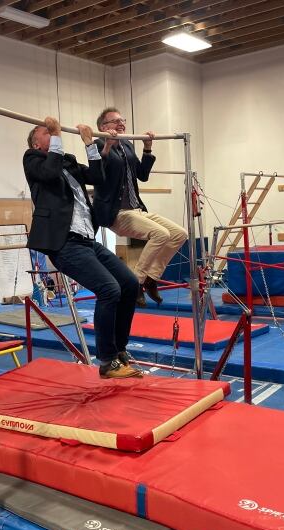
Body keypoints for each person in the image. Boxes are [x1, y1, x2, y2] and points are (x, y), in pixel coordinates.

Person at [24, 116, 142, 379]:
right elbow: (49, 173)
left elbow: (97, 176)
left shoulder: (65, 159)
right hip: (64, 242)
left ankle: (119, 350)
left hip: (87, 238)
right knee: (109, 289)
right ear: (37, 142)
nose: (53, 134)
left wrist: (94, 145)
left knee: (130, 284)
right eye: (47, 133)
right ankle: (107, 361)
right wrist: (56, 135)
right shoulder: (32, 159)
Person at [93, 107, 188, 307]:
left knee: (180, 234)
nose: (121, 123)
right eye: (115, 121)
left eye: (122, 120)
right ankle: (136, 282)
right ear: (103, 127)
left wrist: (147, 147)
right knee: (161, 234)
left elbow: (142, 175)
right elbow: (97, 174)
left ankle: (152, 278)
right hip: (117, 212)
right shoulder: (97, 143)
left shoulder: (127, 144)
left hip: (137, 209)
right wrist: (107, 148)